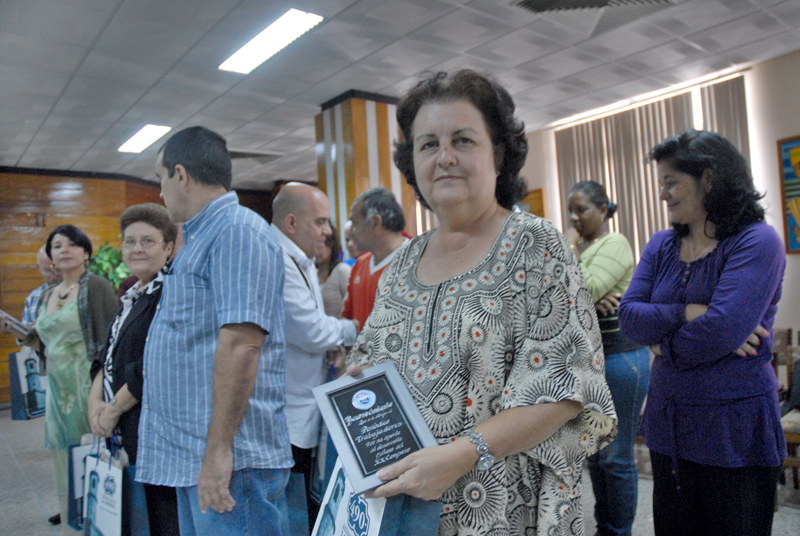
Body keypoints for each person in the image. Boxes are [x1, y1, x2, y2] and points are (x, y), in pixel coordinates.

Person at [346, 69, 617, 535]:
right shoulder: (402, 263)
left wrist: (464, 453)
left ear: (498, 154)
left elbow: (564, 387)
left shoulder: (536, 246)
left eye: (463, 140)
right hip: (407, 508)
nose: (445, 157)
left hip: (500, 502)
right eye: (428, 144)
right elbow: (372, 363)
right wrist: (359, 386)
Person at [618, 129, 786, 536]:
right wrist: (690, 312)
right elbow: (629, 317)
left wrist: (660, 345)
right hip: (669, 426)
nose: (663, 194)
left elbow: (721, 329)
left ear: (708, 178)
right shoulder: (661, 245)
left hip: (732, 428)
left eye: (671, 182)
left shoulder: (757, 241)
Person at [135, 126, 293, 536]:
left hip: (233, 460)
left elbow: (242, 346)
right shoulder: (201, 236)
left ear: (181, 175)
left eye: (161, 178)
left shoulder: (236, 231)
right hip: (200, 453)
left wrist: (219, 451)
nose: (160, 192)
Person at [271, 183, 359, 534]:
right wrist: (353, 329)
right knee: (290, 509)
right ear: (291, 222)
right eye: (320, 222)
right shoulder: (278, 258)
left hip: (301, 403)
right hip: (285, 409)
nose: (328, 232)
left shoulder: (299, 258)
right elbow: (310, 330)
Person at [87, 203, 180, 534]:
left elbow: (156, 364)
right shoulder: (132, 293)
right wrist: (94, 403)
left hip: (154, 431)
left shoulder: (170, 293)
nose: (136, 248)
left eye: (147, 241)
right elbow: (106, 355)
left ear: (168, 247)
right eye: (130, 241)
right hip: (122, 427)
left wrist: (113, 409)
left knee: (161, 520)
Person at [18, 224, 118, 526]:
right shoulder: (48, 293)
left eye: (72, 244)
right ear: (50, 256)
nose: (63, 250)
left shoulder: (96, 286)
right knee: (62, 453)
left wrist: (104, 394)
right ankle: (71, 517)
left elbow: (110, 341)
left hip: (86, 384)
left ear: (85, 252)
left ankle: (95, 519)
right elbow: (46, 343)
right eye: (57, 246)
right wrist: (20, 333)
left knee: (89, 448)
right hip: (57, 385)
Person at [565, 181, 649, 536]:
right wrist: (584, 296)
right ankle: (605, 528)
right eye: (570, 211)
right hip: (590, 364)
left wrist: (583, 294)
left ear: (603, 210)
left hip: (620, 361)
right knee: (596, 454)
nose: (574, 217)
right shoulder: (581, 250)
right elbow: (556, 293)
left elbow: (583, 289)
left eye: (581, 209)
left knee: (615, 457)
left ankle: (618, 531)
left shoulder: (614, 243)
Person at [342, 188, 409, 328]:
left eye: (355, 223)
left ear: (375, 223)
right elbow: (348, 317)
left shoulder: (417, 262)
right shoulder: (360, 264)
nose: (351, 232)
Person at [316, 225, 351, 319]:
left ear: (331, 244)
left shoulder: (342, 270)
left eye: (322, 244)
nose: (318, 249)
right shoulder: (313, 273)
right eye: (315, 244)